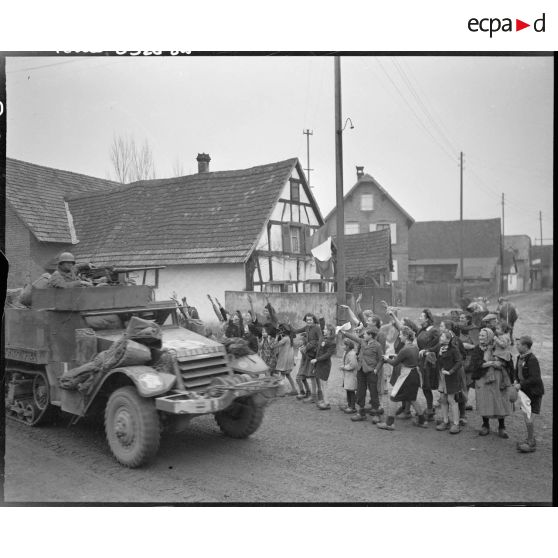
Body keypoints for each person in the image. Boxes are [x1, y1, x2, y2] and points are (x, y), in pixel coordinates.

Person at [376, 325, 428, 430]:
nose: (399, 337)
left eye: (400, 335)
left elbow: (395, 363)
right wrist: (397, 356)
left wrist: (386, 358)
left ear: (405, 336)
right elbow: (409, 359)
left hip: (407, 376)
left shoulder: (405, 349)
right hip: (415, 375)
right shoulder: (414, 347)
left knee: (393, 397)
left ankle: (389, 424)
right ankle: (422, 421)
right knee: (412, 398)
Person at [470, 328, 512, 438]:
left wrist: (501, 363)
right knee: (484, 401)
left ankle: (502, 427)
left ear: (489, 336)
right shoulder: (477, 349)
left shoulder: (497, 347)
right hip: (482, 379)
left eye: (483, 336)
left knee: (499, 401)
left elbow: (507, 360)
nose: (480, 337)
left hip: (498, 380)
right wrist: (492, 363)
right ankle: (485, 425)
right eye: (479, 335)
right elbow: (476, 365)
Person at [342, 326, 384, 423]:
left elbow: (381, 359)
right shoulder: (362, 341)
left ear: (370, 335)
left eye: (365, 334)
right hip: (360, 370)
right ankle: (361, 413)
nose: (363, 335)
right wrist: (343, 332)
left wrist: (376, 370)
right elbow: (353, 338)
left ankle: (377, 414)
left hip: (371, 372)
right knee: (360, 392)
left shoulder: (377, 345)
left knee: (373, 393)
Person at [513, 335, 544, 453]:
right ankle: (530, 440)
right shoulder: (519, 357)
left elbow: (535, 378)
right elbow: (517, 371)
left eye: (519, 344)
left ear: (525, 346)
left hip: (534, 393)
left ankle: (531, 443)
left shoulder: (532, 360)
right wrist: (516, 379)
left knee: (529, 419)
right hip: (525, 393)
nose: (516, 345)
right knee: (526, 418)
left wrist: (521, 384)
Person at [435, 330, 463, 434]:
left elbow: (459, 362)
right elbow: (439, 361)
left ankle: (456, 424)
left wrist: (450, 371)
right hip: (442, 377)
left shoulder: (454, 350)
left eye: (442, 336)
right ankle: (445, 421)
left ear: (448, 339)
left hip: (451, 378)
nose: (440, 338)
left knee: (451, 399)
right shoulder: (440, 348)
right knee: (443, 399)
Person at [416, 309, 440, 421]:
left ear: (427, 319)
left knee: (427, 385)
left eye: (421, 316)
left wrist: (427, 350)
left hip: (430, 362)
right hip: (422, 361)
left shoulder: (434, 331)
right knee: (425, 385)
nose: (419, 318)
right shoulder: (422, 329)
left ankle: (430, 410)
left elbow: (439, 345)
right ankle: (430, 408)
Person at [294, 313, 322, 402]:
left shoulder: (317, 328)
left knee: (313, 376)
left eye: (310, 320)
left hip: (314, 355)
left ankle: (314, 397)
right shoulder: (307, 327)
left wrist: (313, 350)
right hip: (308, 354)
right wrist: (288, 326)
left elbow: (320, 339)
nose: (308, 321)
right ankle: (315, 395)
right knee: (312, 375)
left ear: (314, 320)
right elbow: (296, 331)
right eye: (307, 320)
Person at [311, 324, 337, 410]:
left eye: (325, 329)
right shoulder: (324, 338)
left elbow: (327, 355)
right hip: (320, 364)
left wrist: (317, 359)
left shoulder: (332, 342)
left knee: (324, 384)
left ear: (330, 331)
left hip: (325, 365)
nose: (323, 330)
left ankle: (327, 403)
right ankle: (325, 401)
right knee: (322, 384)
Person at [274, 323, 298, 395]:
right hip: (289, 360)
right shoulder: (289, 338)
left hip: (285, 360)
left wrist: (276, 337)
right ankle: (294, 390)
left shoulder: (285, 339)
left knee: (282, 375)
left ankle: (281, 392)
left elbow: (274, 345)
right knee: (288, 375)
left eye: (280, 330)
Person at [340, 339, 358, 413]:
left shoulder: (352, 354)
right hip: (347, 375)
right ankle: (349, 404)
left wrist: (344, 367)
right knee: (348, 389)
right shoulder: (346, 352)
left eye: (344, 345)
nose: (343, 346)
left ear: (348, 346)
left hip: (351, 375)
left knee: (351, 391)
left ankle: (352, 407)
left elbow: (353, 365)